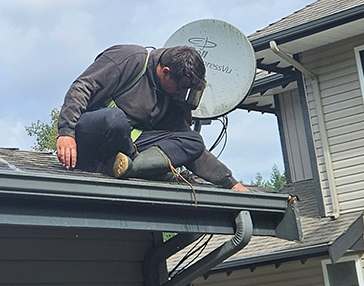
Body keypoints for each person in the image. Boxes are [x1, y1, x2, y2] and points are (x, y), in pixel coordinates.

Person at [56, 44, 249, 191]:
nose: (183, 92)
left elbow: (190, 146)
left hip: (127, 150)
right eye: (182, 86)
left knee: (193, 140)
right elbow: (83, 87)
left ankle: (128, 167)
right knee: (115, 118)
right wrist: (66, 131)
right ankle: (125, 164)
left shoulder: (172, 97)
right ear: (166, 72)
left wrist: (229, 182)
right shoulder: (129, 59)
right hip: (92, 136)